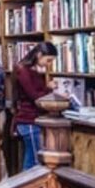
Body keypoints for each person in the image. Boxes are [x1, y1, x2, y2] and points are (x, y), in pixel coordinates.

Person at [12, 42, 58, 170]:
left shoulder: (31, 70)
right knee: (34, 160)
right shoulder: (23, 70)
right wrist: (48, 89)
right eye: (48, 60)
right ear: (39, 55)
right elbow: (35, 96)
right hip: (28, 120)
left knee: (32, 157)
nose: (49, 64)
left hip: (33, 119)